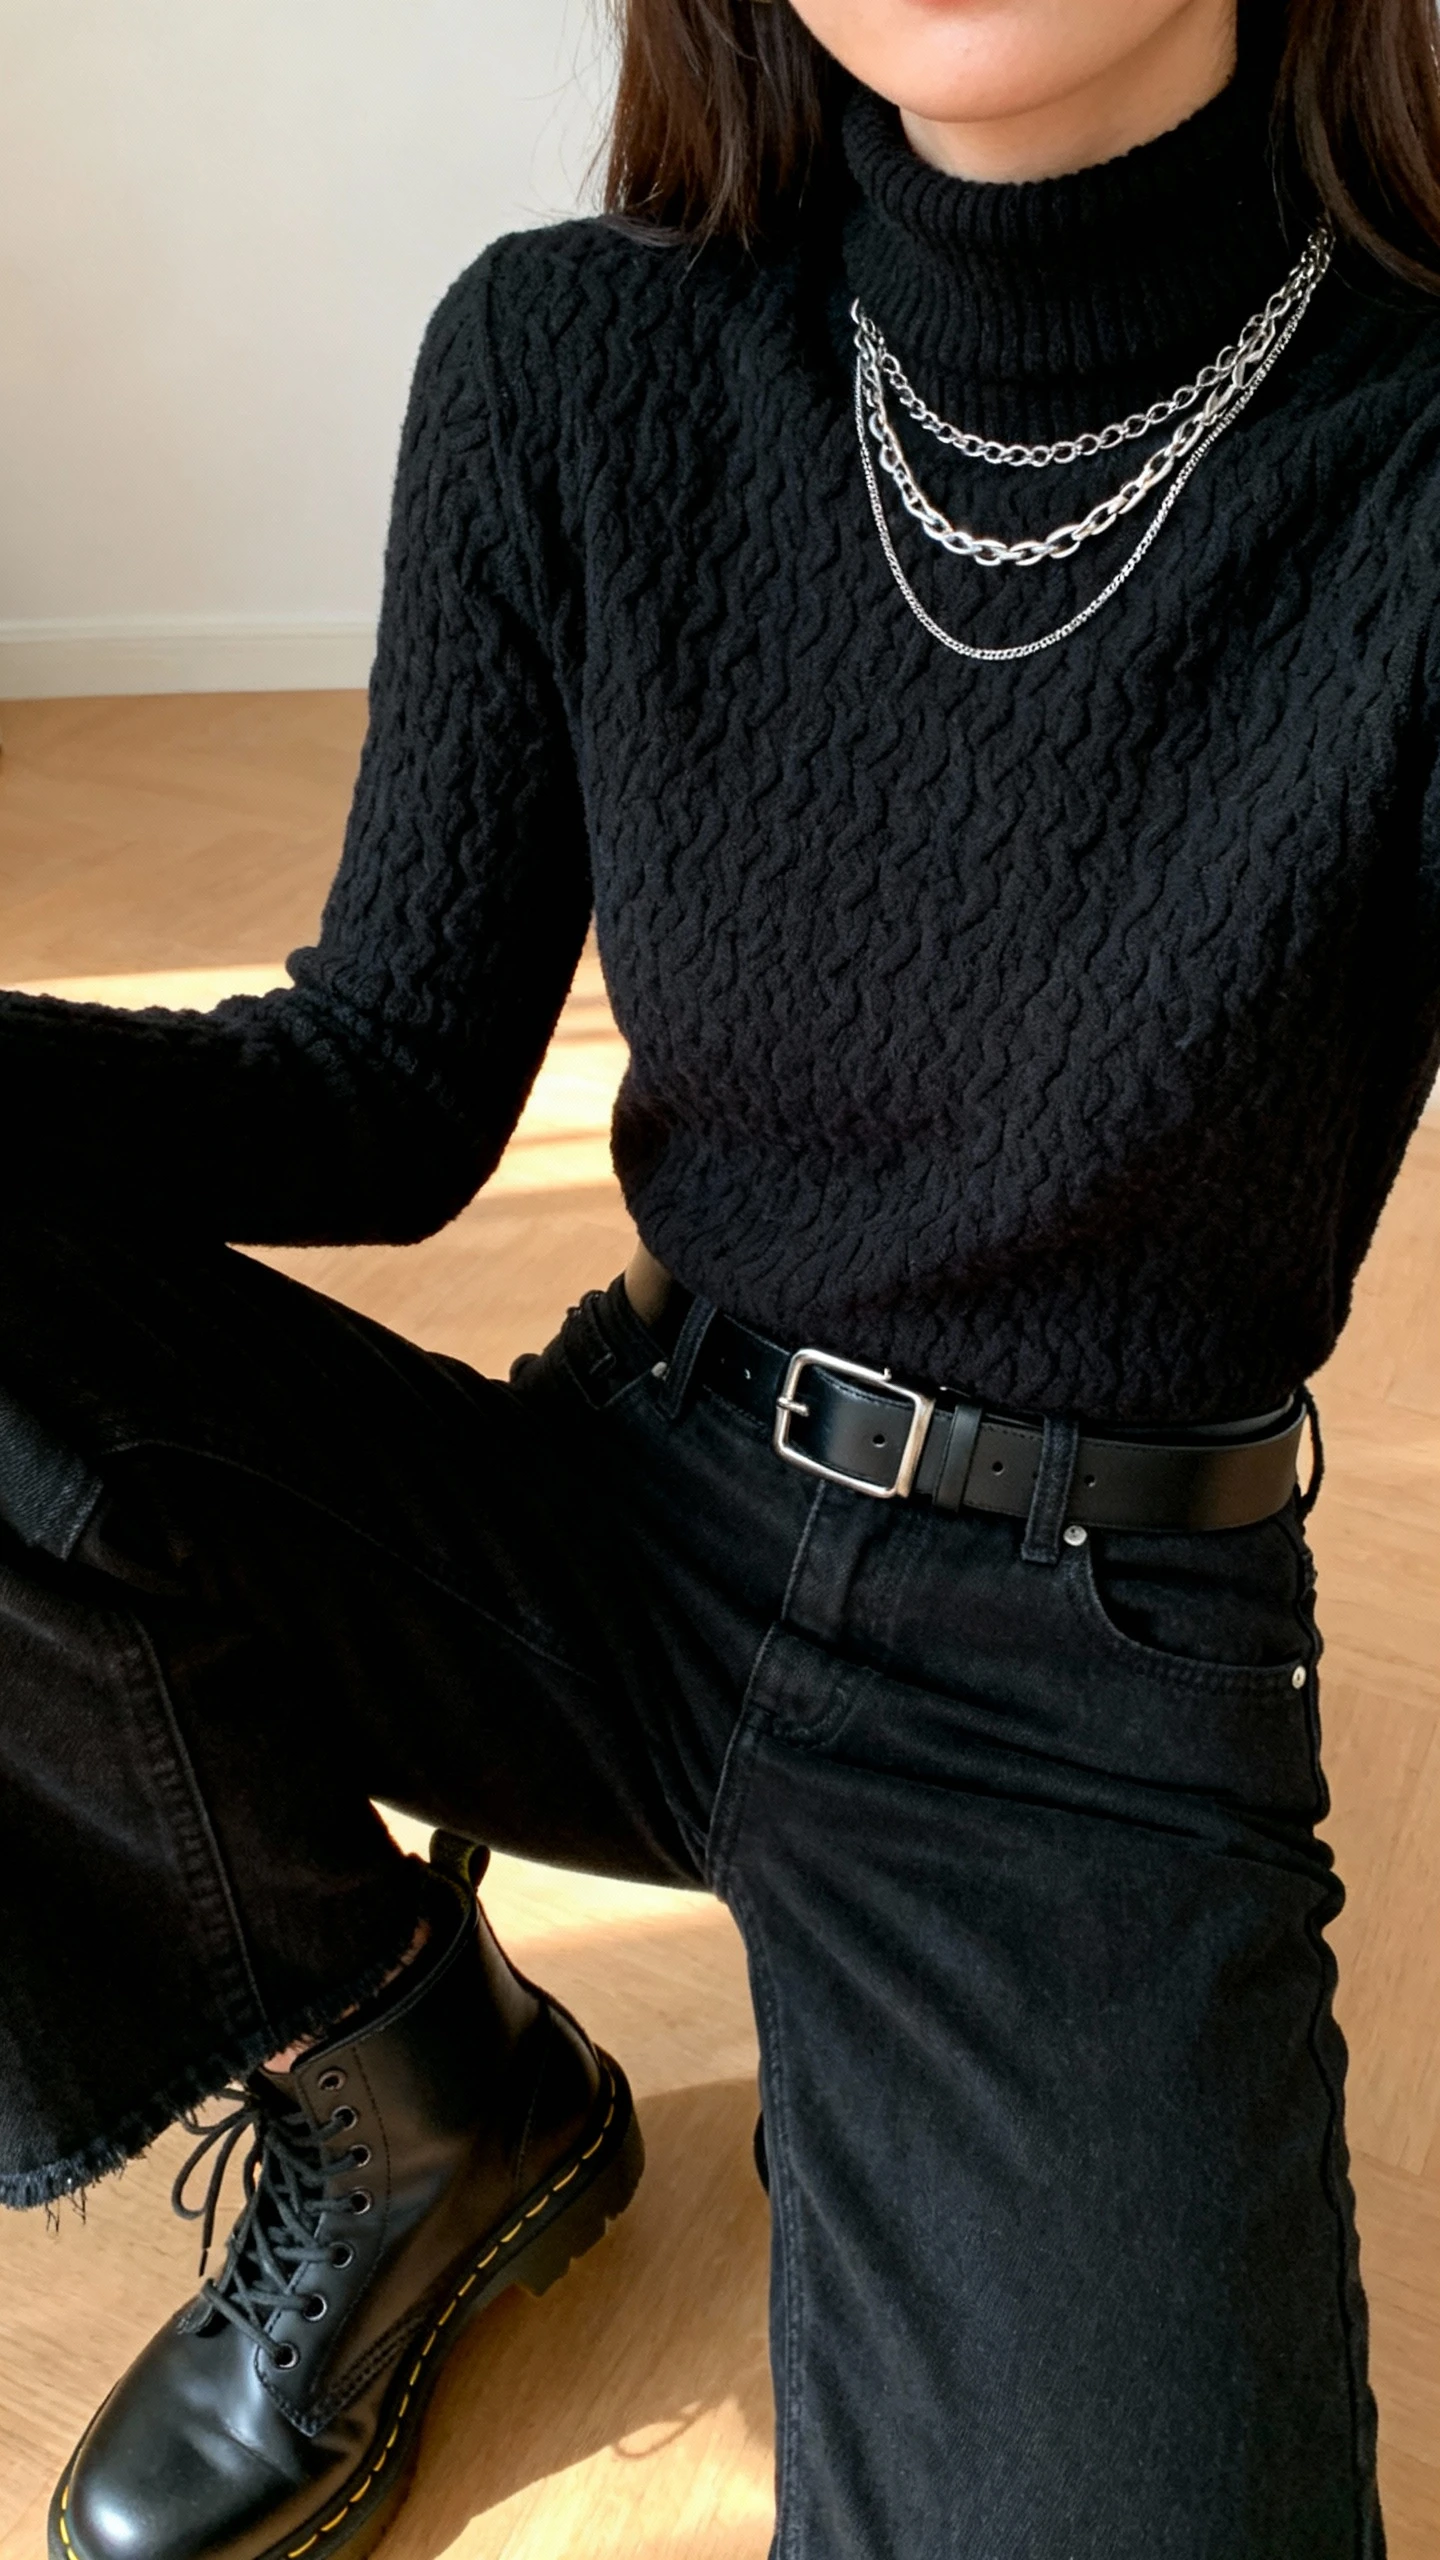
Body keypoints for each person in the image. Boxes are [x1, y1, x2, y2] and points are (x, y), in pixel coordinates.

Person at [3, 0, 1436, 2548]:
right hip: (641, 1502)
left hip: (1074, 1690)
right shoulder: (575, 359)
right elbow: (374, 1082)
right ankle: (407, 2077)